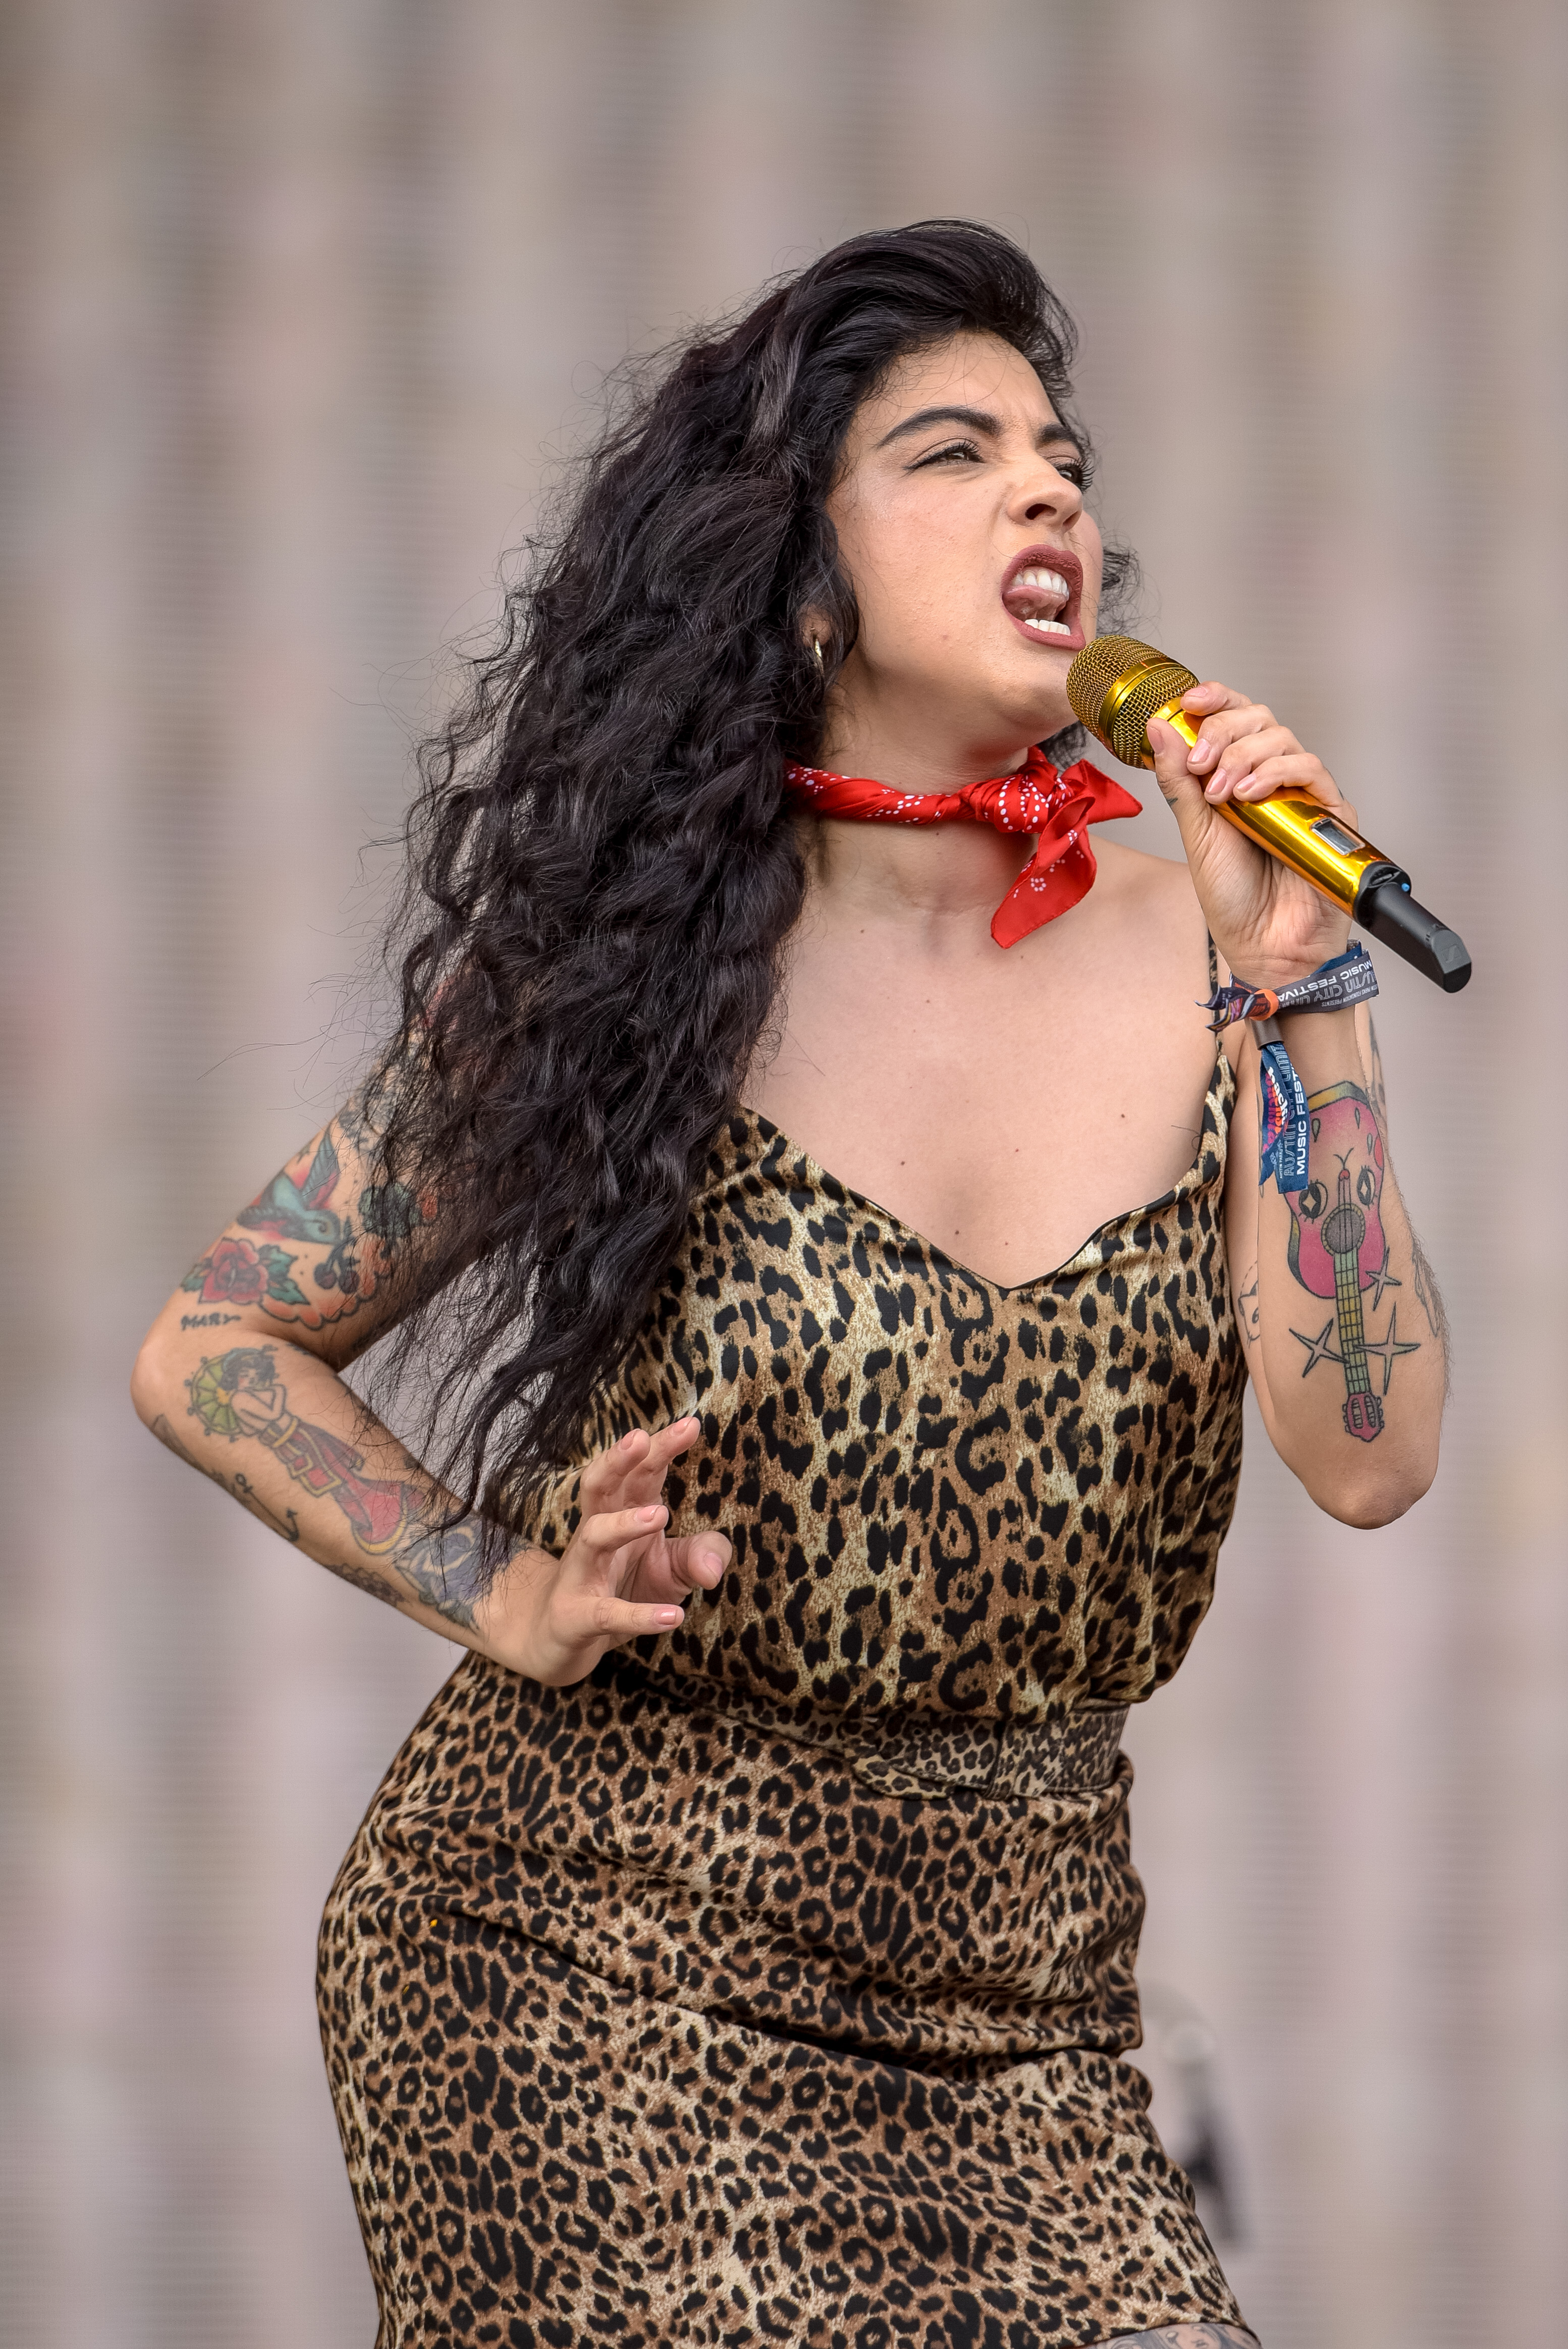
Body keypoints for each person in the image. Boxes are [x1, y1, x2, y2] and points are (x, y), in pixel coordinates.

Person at [132, 221, 1447, 2347]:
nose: (1049, 492)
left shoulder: (1212, 955)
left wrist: (1305, 992)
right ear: (803, 577)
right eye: (955, 453)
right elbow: (215, 1342)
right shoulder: (631, 972)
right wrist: (498, 1589)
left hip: (1026, 2024)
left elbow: (1371, 1460)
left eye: (1063, 456)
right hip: (573, 1963)